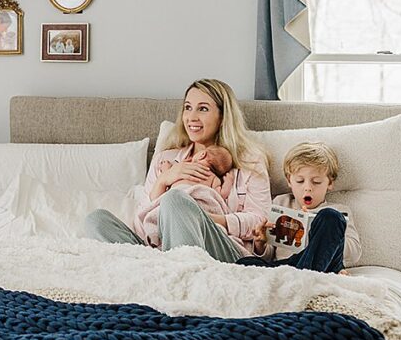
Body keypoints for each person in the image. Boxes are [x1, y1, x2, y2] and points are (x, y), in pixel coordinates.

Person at [84, 79, 271, 263]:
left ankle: (176, 275)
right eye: (188, 107)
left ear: (223, 117)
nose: (192, 117)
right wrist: (163, 180)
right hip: (160, 249)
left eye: (203, 109)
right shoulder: (165, 160)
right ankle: (161, 273)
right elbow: (142, 228)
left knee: (175, 200)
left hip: (220, 248)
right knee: (96, 220)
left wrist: (204, 218)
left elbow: (259, 220)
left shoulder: (249, 162)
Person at [236, 142, 360, 274]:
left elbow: (355, 253)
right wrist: (261, 244)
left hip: (323, 264)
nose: (307, 187)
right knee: (244, 263)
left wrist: (320, 235)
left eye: (316, 182)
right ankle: (304, 276)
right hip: (288, 265)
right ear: (289, 181)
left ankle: (304, 275)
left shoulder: (340, 211)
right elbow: (271, 254)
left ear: (330, 183)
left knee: (331, 217)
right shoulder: (281, 203)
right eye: (300, 181)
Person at [134, 145, 235, 248]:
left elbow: (166, 181)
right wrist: (228, 182)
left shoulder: (182, 168)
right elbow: (220, 194)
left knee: (162, 211)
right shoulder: (213, 178)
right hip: (198, 206)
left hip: (179, 201)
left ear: (202, 154)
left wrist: (166, 169)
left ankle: (155, 234)